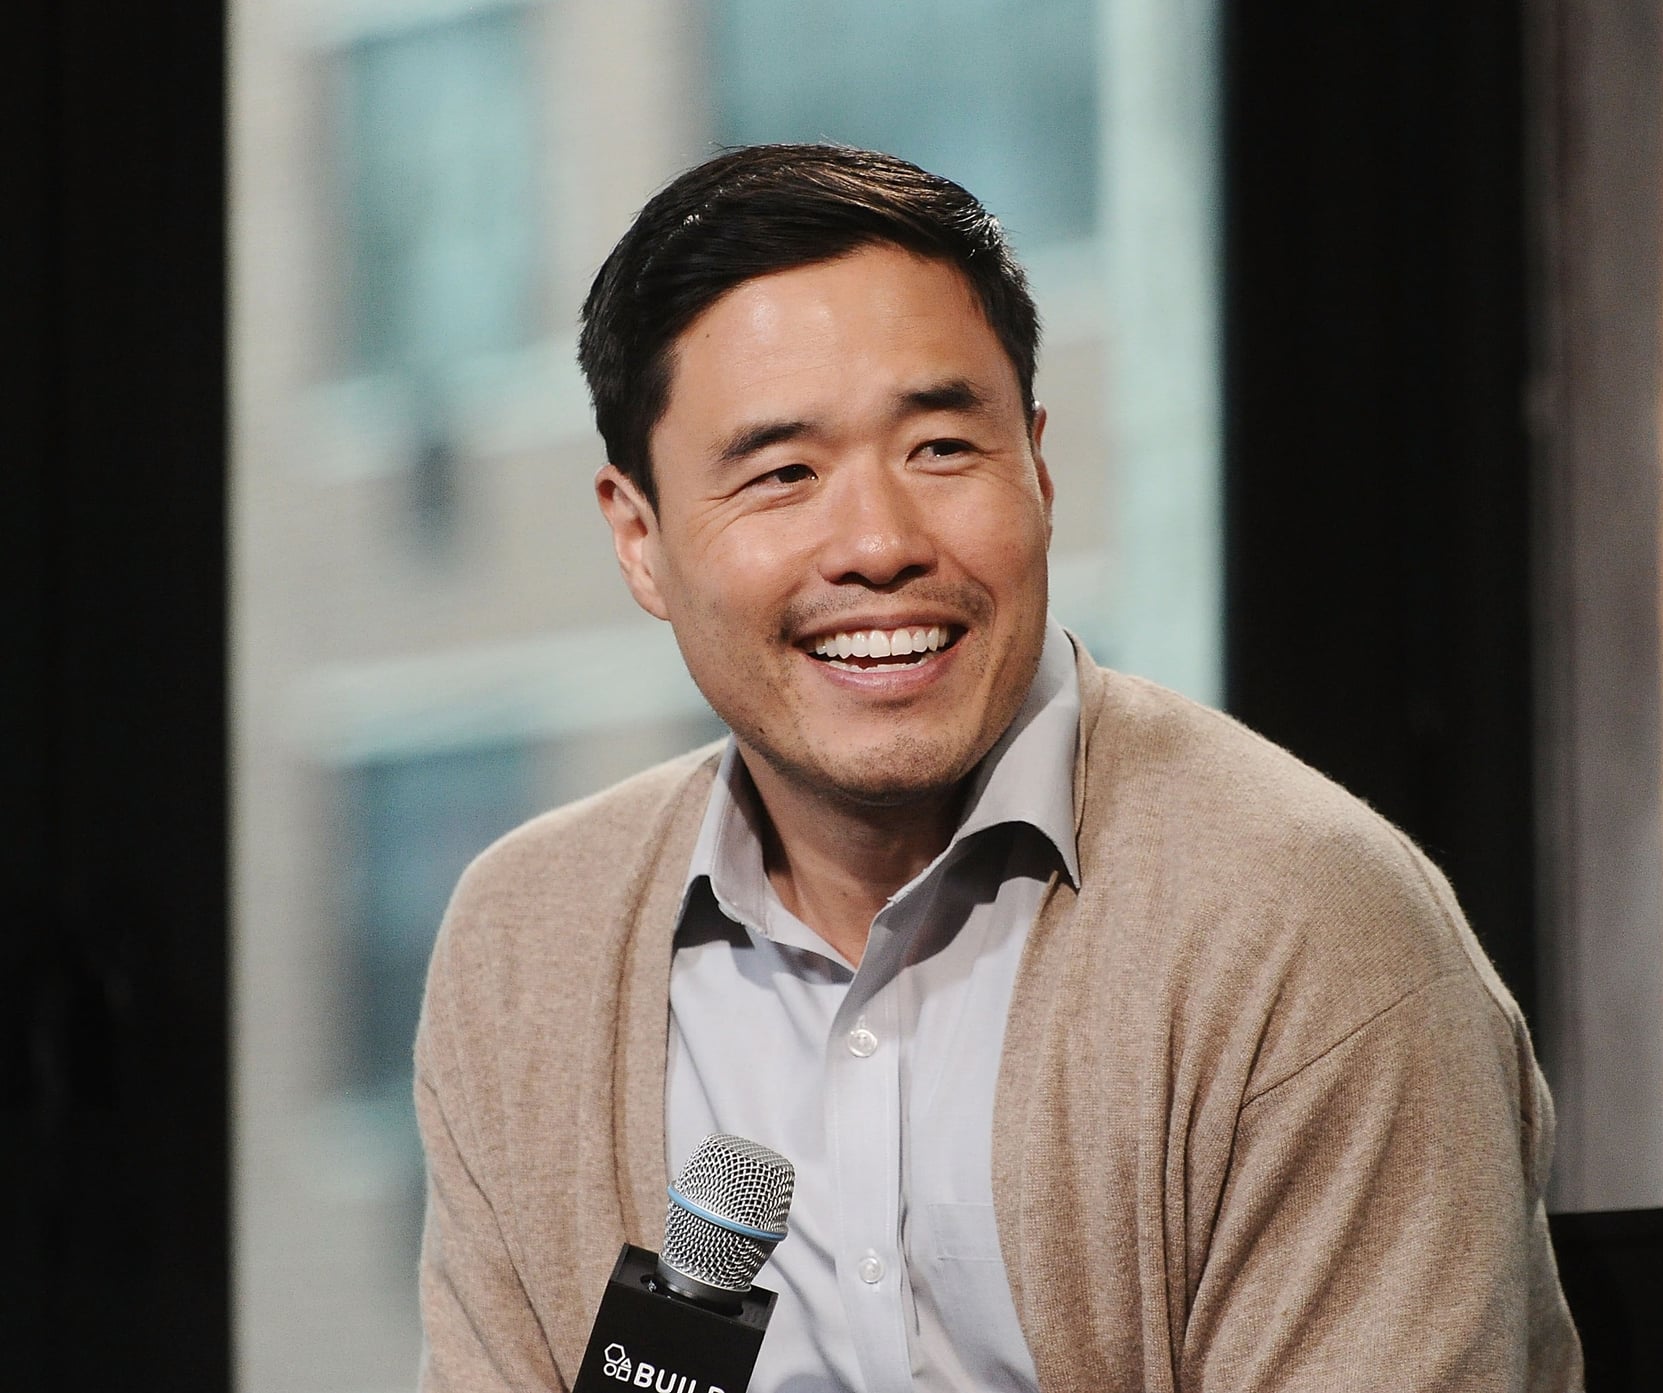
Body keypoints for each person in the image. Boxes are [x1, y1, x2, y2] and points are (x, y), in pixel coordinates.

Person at [414, 142, 1582, 1393]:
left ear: (1036, 464)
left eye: (939, 450)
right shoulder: (525, 944)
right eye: (783, 474)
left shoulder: (1304, 927)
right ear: (639, 540)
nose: (877, 543)